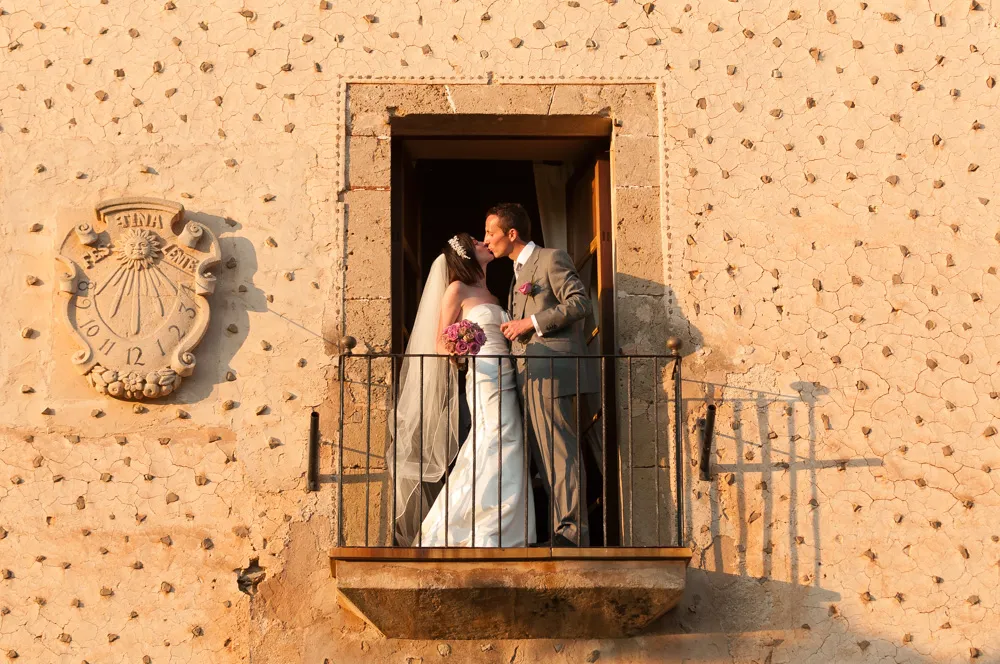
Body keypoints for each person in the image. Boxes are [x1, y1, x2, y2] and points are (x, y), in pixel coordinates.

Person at [388, 233, 535, 547]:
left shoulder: (493, 293)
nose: (485, 243)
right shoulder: (456, 289)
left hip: (510, 373)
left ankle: (501, 523)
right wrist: (462, 341)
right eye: (477, 242)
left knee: (506, 440)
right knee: (499, 436)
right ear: (467, 254)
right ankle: (484, 523)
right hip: (483, 375)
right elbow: (441, 344)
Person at [484, 203, 598, 547]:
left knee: (561, 452)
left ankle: (573, 535)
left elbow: (580, 303)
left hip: (554, 371)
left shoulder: (550, 259)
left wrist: (530, 323)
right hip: (529, 376)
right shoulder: (517, 275)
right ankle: (561, 531)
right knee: (544, 455)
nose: (487, 241)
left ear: (512, 233)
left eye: (491, 233)